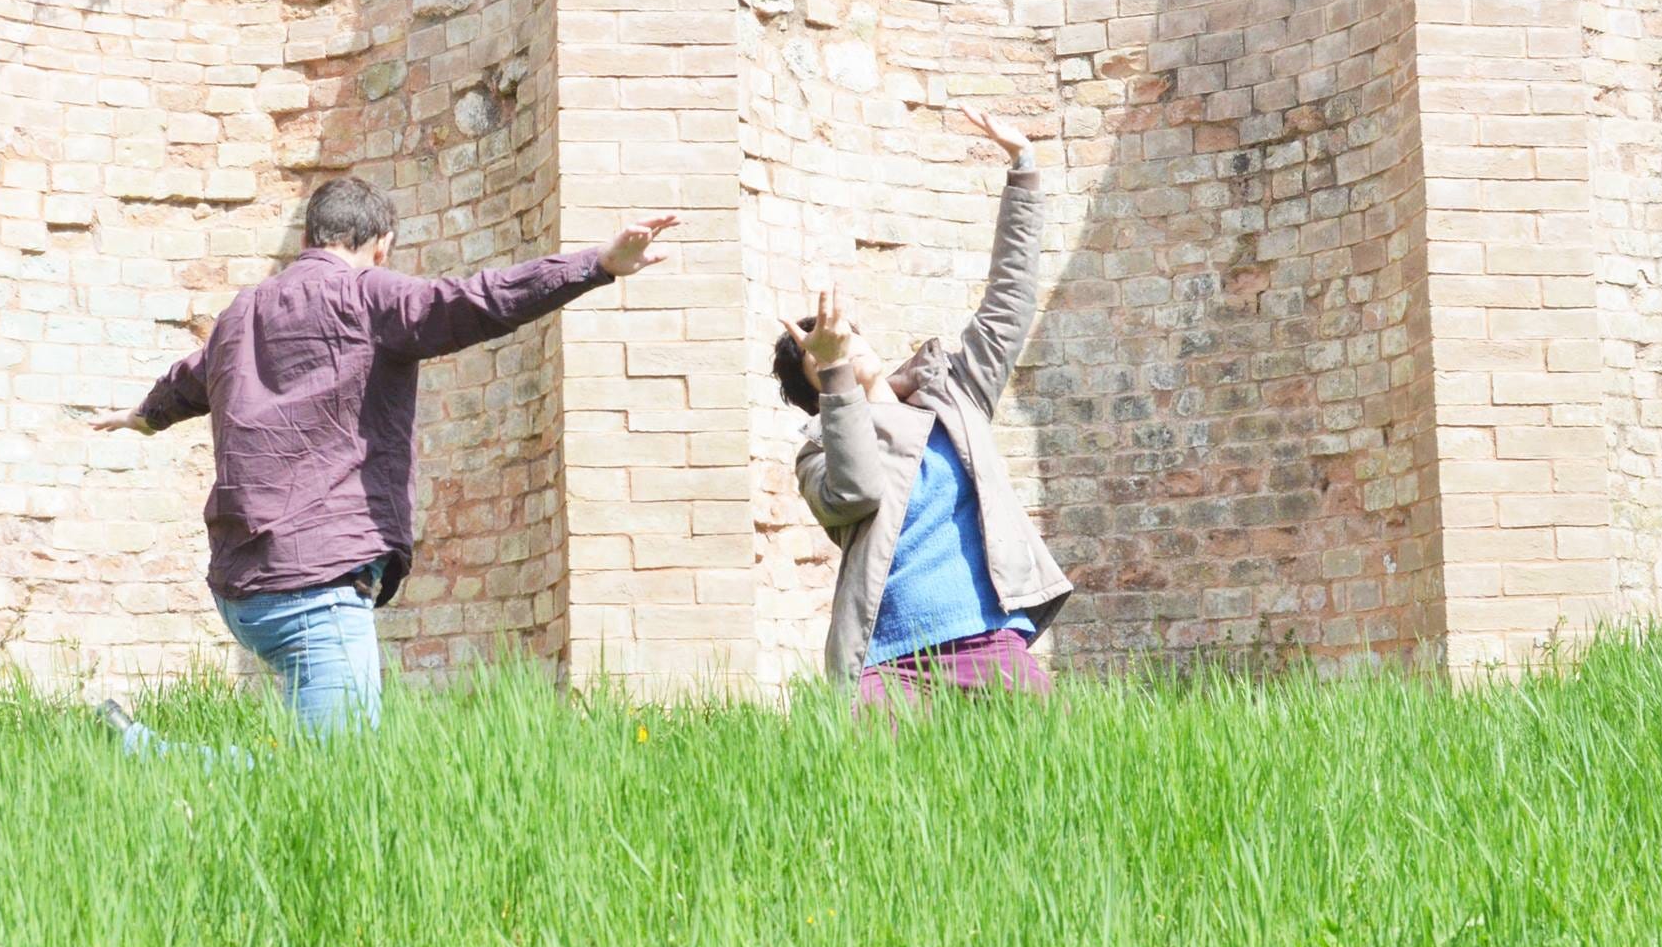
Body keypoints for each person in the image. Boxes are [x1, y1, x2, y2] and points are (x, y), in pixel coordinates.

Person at [91, 176, 678, 738]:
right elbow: (477, 300)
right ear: (382, 246)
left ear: (307, 238)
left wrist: (143, 417)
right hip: (315, 584)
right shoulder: (367, 294)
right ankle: (143, 750)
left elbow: (187, 380)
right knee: (335, 770)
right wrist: (596, 265)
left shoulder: (240, 314)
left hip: (240, 591)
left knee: (313, 775)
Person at [773, 108, 1072, 711]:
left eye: (845, 336)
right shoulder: (817, 452)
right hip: (888, 662)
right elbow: (858, 491)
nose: (843, 348)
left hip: (988, 641)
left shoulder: (954, 395)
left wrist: (1023, 170)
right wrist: (836, 373)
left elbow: (1008, 305)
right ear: (819, 391)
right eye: (823, 356)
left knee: (1058, 756)